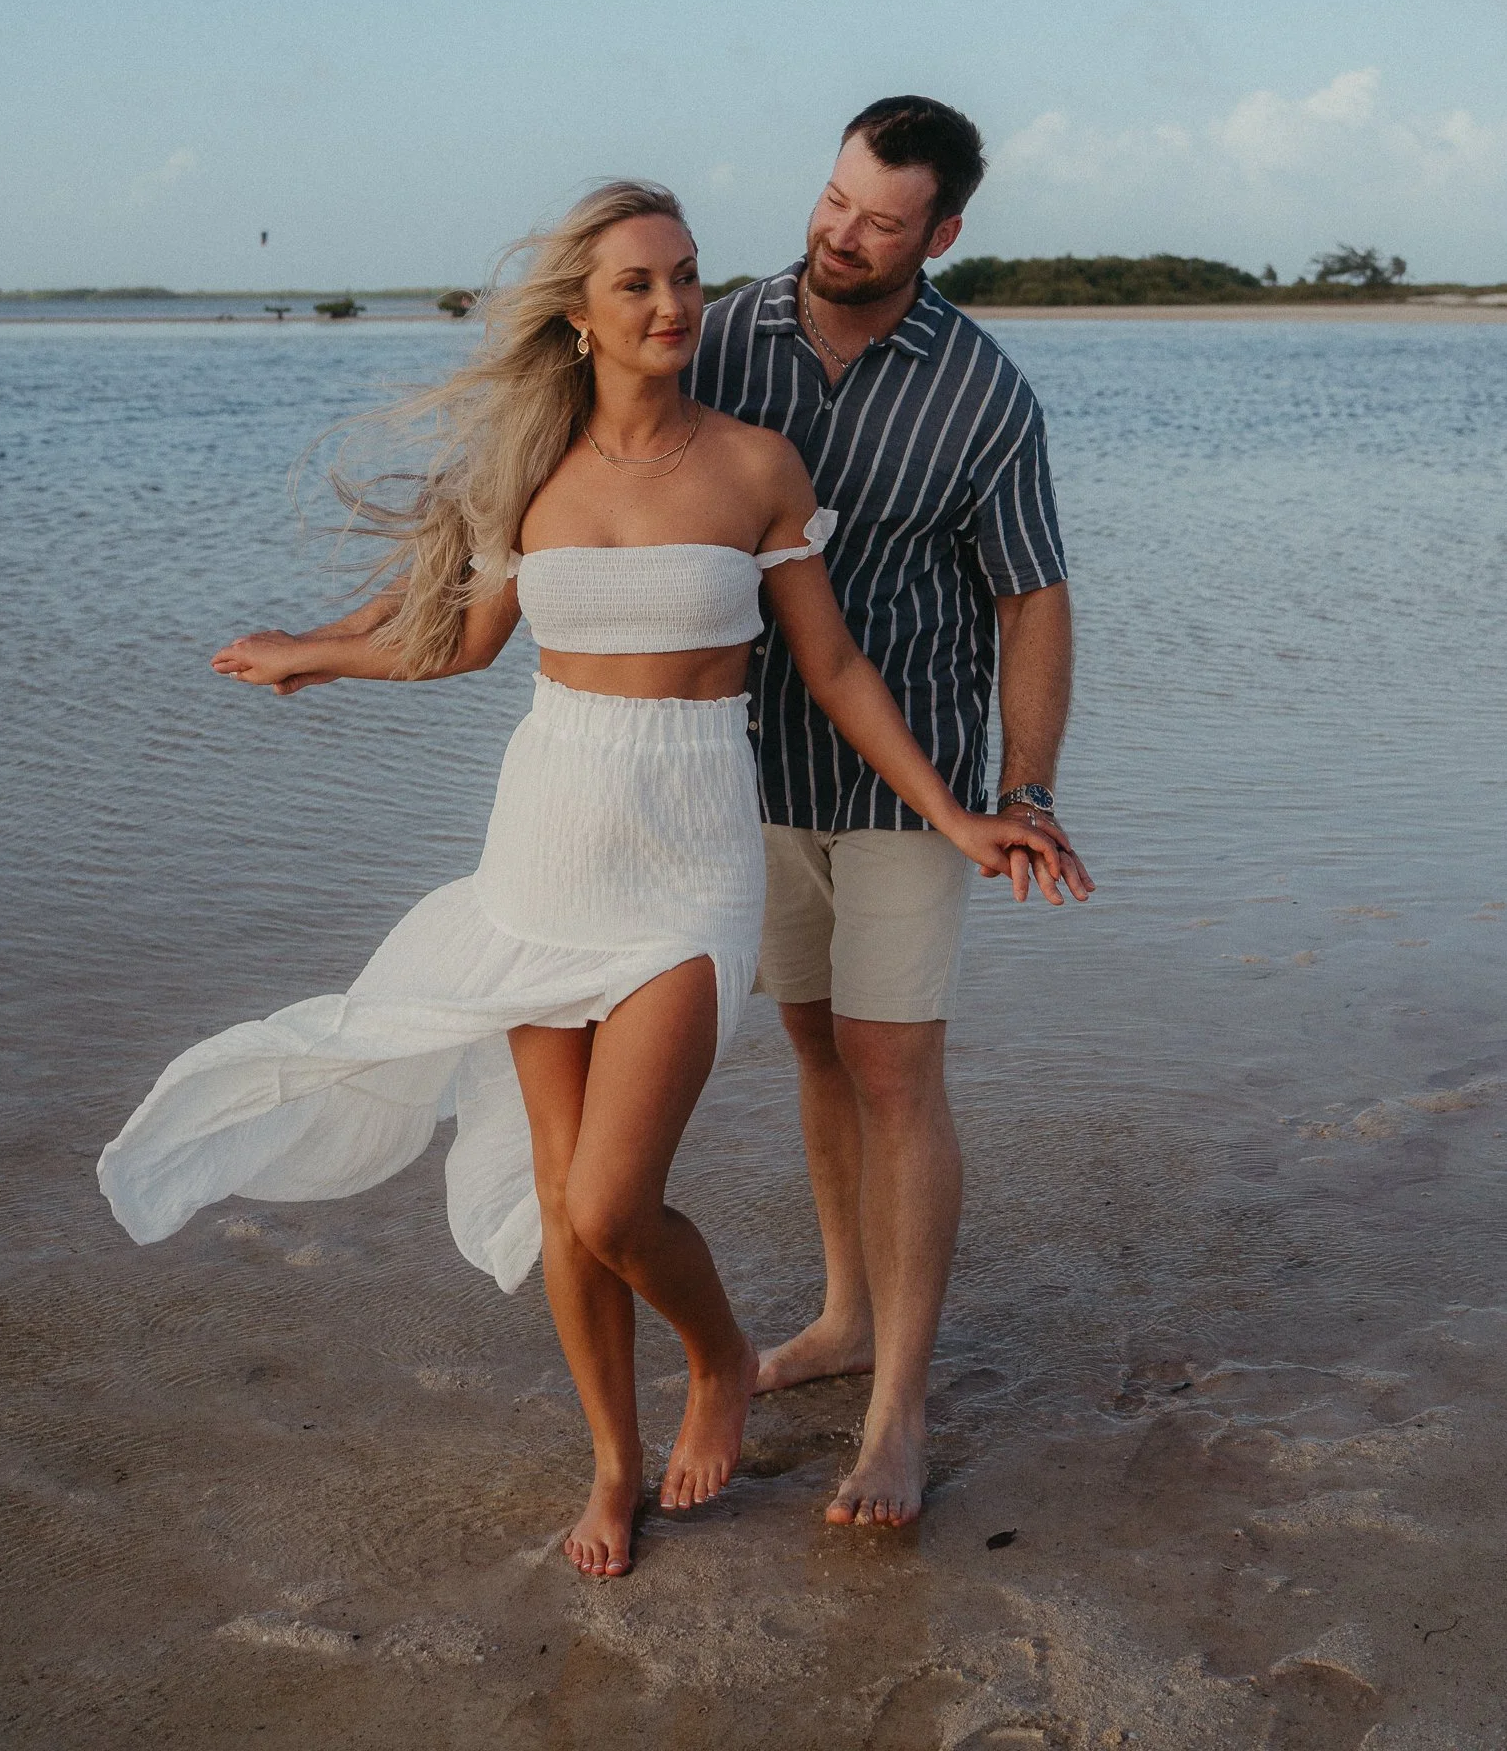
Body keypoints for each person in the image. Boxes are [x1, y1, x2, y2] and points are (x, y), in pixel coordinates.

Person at [97, 180, 1079, 1582]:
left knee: (617, 1201)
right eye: (638, 284)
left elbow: (834, 668)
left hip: (688, 858)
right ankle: (614, 1464)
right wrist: (317, 654)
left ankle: (719, 1359)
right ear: (579, 316)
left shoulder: (756, 468)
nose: (675, 304)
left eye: (685, 276)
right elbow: (459, 644)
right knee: (565, 1203)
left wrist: (961, 814)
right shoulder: (530, 476)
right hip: (546, 846)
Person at [687, 97, 1092, 1528]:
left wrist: (1023, 787)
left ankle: (899, 1408)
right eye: (834, 200)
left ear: (943, 233)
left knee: (894, 1065)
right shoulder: (718, 338)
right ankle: (845, 1315)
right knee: (812, 1043)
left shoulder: (983, 392)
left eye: (880, 220)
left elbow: (1031, 597)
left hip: (910, 776)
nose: (841, 235)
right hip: (745, 766)